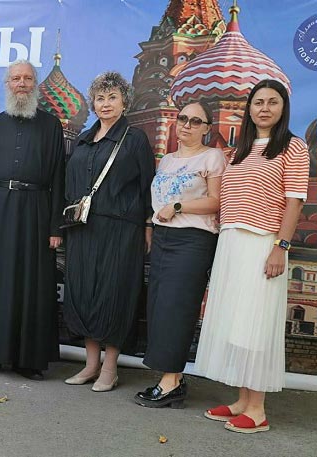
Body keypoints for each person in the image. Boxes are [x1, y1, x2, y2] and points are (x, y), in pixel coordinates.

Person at [194, 79, 309, 433]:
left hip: (265, 243)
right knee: (236, 322)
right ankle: (243, 399)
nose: (264, 108)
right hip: (232, 241)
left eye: (272, 102)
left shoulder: (293, 147)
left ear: (283, 108)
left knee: (256, 322)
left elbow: (295, 201)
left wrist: (282, 246)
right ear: (249, 108)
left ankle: (257, 409)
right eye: (258, 102)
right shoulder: (238, 151)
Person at [0, 60, 65, 381]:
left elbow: (58, 179)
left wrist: (54, 227)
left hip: (36, 212)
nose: (21, 83)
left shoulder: (52, 126)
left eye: (27, 78)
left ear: (35, 84)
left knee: (31, 284)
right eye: (15, 78)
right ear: (7, 84)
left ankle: (28, 359)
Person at [62, 71, 154, 391]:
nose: (105, 104)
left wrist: (146, 225)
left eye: (112, 97)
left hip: (120, 229)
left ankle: (110, 368)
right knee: (85, 293)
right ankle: (90, 365)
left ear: (125, 102)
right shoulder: (85, 139)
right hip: (84, 229)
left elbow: (147, 187)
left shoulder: (135, 139)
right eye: (100, 98)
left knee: (113, 294)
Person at [133, 101, 225, 408]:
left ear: (206, 128)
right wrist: (151, 225)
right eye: (183, 118)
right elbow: (156, 201)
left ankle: (170, 381)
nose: (186, 125)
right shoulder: (167, 160)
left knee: (177, 308)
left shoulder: (212, 156)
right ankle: (171, 377)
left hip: (193, 240)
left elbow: (215, 201)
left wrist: (178, 207)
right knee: (158, 306)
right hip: (163, 238)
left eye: (195, 121)